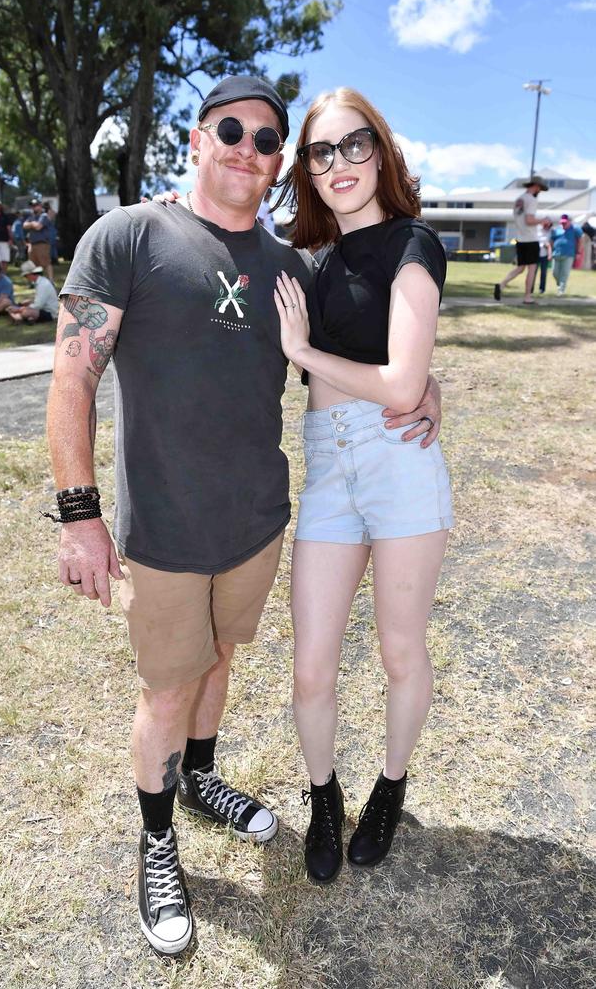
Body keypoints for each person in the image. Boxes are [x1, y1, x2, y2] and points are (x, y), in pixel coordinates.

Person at [46, 75, 443, 957]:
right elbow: (73, 369)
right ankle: (157, 840)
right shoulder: (127, 236)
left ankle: (203, 778)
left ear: (277, 169)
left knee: (221, 657)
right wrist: (79, 514)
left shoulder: (289, 268)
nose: (247, 149)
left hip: (259, 523)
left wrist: (432, 389)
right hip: (164, 531)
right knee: (168, 684)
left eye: (268, 141)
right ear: (196, 139)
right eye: (231, 129)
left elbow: (361, 356)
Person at [271, 87, 453, 885]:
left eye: (354, 146)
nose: (339, 164)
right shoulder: (301, 262)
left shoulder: (416, 243)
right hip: (328, 472)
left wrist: (305, 356)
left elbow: (405, 381)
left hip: (399, 462)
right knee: (312, 665)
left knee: (399, 649)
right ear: (306, 169)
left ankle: (390, 785)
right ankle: (323, 796)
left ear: (379, 151)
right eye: (321, 152)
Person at [494, 175, 550, 305]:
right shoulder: (531, 200)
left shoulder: (519, 199)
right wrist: (543, 220)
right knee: (531, 269)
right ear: (536, 186)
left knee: (520, 268)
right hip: (531, 239)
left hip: (520, 239)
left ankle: (501, 285)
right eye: (540, 189)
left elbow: (522, 220)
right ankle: (527, 297)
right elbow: (529, 220)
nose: (539, 191)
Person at [7, 259, 58, 323]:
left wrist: (19, 309)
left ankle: (20, 317)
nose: (26, 278)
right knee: (24, 309)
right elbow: (38, 300)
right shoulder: (40, 282)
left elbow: (38, 305)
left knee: (26, 312)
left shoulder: (43, 284)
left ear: (30, 274)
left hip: (49, 313)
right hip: (43, 310)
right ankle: (26, 318)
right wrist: (27, 303)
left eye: (26, 276)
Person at [551, 213, 584, 295]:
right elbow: (552, 240)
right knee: (554, 272)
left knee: (564, 273)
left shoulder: (575, 229)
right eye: (562, 222)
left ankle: (561, 290)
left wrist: (579, 252)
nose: (563, 224)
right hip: (556, 254)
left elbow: (581, 240)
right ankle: (560, 284)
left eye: (565, 222)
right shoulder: (557, 229)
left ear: (570, 221)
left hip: (569, 254)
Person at [24, 198, 54, 281]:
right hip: (32, 244)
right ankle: (38, 281)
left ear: (40, 206)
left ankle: (50, 280)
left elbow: (38, 227)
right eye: (32, 206)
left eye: (36, 205)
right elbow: (24, 225)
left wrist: (31, 225)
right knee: (34, 265)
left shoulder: (44, 216)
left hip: (42, 244)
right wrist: (33, 223)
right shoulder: (31, 217)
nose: (34, 207)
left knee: (46, 263)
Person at [536, 221, 552, 294]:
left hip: (544, 255)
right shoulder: (537, 230)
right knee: (533, 272)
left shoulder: (550, 232)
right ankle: (530, 288)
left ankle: (542, 289)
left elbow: (550, 244)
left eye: (549, 226)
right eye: (546, 225)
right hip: (536, 254)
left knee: (543, 273)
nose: (547, 227)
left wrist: (549, 254)